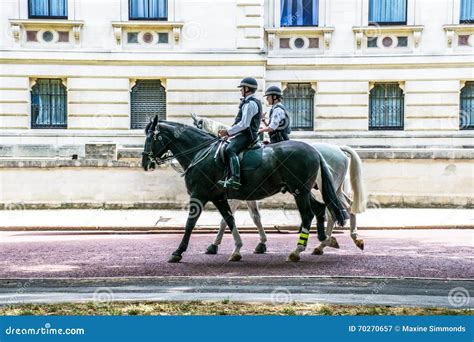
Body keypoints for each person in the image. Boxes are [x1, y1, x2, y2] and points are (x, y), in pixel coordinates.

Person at [217, 77, 262, 190]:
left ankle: (235, 178)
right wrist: (230, 134)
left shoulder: (250, 103)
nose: (240, 90)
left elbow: (244, 124)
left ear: (247, 88)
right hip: (244, 134)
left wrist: (228, 132)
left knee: (229, 149)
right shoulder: (250, 102)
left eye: (242, 88)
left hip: (247, 136)